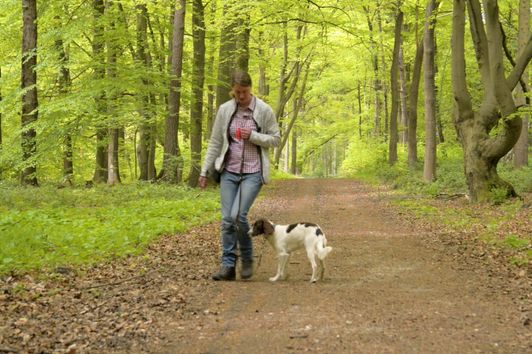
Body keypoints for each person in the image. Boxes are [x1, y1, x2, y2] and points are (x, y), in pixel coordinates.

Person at [198, 70, 280, 281]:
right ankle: (228, 266)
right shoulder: (225, 110)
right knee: (227, 219)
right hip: (229, 171)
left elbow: (275, 139)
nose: (241, 96)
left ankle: (246, 256)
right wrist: (204, 171)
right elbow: (216, 141)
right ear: (232, 91)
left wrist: (252, 136)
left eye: (244, 92)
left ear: (250, 89)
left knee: (238, 216)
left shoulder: (263, 110)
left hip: (253, 172)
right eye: (237, 92)